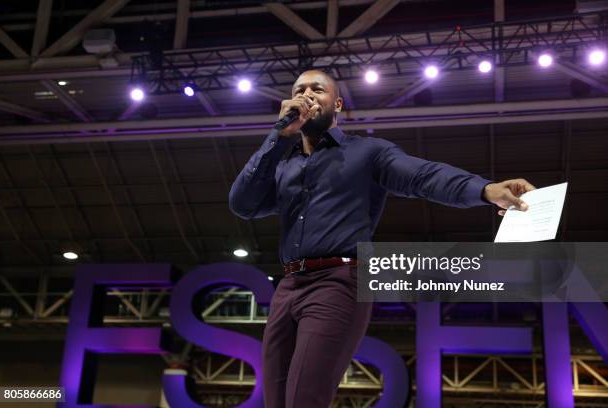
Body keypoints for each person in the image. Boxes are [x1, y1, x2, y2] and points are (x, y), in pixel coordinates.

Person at [229, 69, 535, 408]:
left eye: (318, 89)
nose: (307, 95)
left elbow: (423, 176)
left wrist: (486, 190)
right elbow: (242, 204)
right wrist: (279, 136)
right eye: (300, 89)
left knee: (303, 399)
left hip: (337, 282)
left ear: (338, 104)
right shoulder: (284, 164)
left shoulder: (367, 152)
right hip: (287, 286)